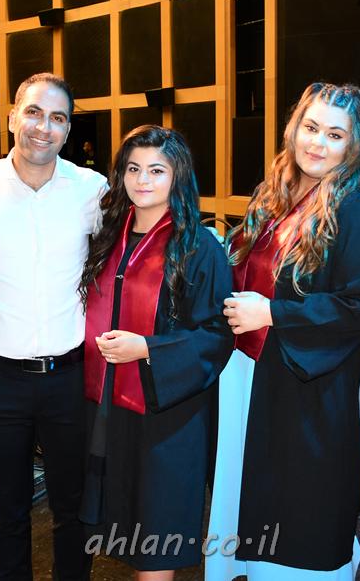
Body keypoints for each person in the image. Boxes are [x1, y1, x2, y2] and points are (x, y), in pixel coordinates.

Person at [207, 82, 360, 580]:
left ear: (354, 145)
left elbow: (357, 307)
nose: (318, 143)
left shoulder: (353, 210)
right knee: (251, 500)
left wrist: (274, 313)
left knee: (298, 516)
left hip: (307, 389)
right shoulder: (276, 195)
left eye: (335, 134)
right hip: (252, 375)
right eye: (311, 128)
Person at [0, 73, 106, 580]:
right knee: (7, 513)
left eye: (58, 118)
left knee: (73, 512)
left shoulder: (92, 190)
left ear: (68, 130)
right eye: (34, 112)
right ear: (12, 118)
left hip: (70, 378)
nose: (44, 127)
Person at [78, 125, 233, 578]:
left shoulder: (198, 246)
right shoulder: (108, 236)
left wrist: (147, 347)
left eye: (156, 170)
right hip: (108, 407)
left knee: (156, 541)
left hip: (168, 412)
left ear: (177, 175)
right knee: (125, 533)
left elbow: (217, 334)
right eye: (133, 169)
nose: (142, 179)